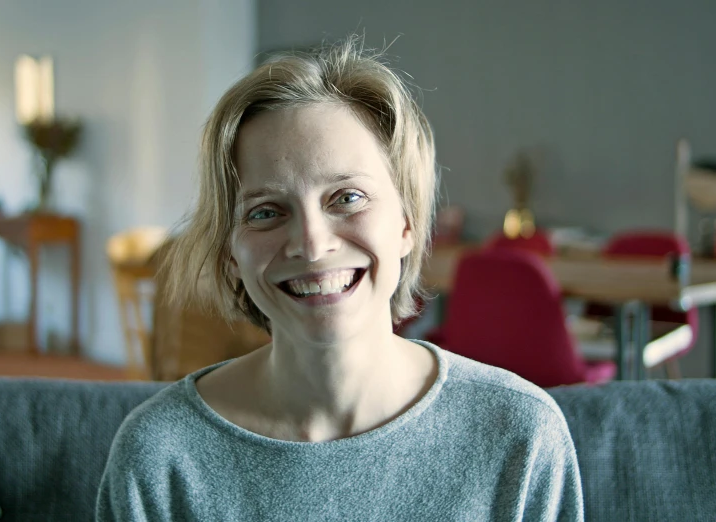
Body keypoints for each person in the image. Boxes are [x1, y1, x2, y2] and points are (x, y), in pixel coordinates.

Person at [96, 36, 584, 521]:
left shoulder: (519, 435)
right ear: (229, 254)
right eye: (266, 211)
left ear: (407, 223)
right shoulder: (159, 456)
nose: (310, 244)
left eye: (347, 197)